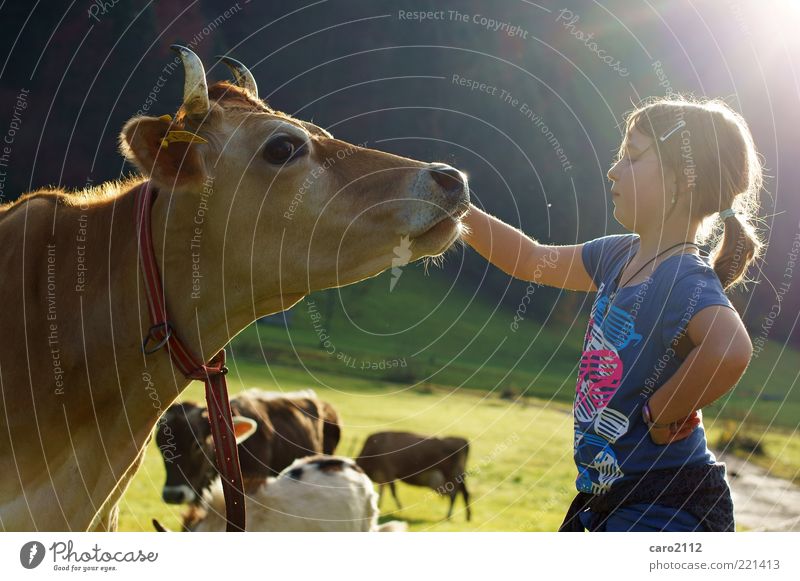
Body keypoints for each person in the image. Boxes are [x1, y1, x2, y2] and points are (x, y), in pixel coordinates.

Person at [462, 97, 763, 531]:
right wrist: (454, 207)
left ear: (681, 180)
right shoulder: (617, 255)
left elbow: (731, 349)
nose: (614, 170)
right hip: (615, 500)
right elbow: (530, 260)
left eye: (633, 157)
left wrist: (663, 410)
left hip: (666, 504)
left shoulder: (682, 277)